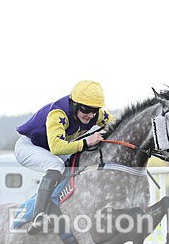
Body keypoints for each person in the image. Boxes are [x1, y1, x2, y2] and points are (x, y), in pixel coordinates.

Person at [14, 80, 112, 235]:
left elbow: (118, 125)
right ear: (74, 104)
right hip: (29, 147)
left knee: (84, 159)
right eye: (86, 109)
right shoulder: (58, 114)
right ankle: (38, 216)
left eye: (95, 110)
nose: (91, 115)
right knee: (57, 166)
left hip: (53, 147)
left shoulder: (95, 114)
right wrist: (87, 141)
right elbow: (57, 148)